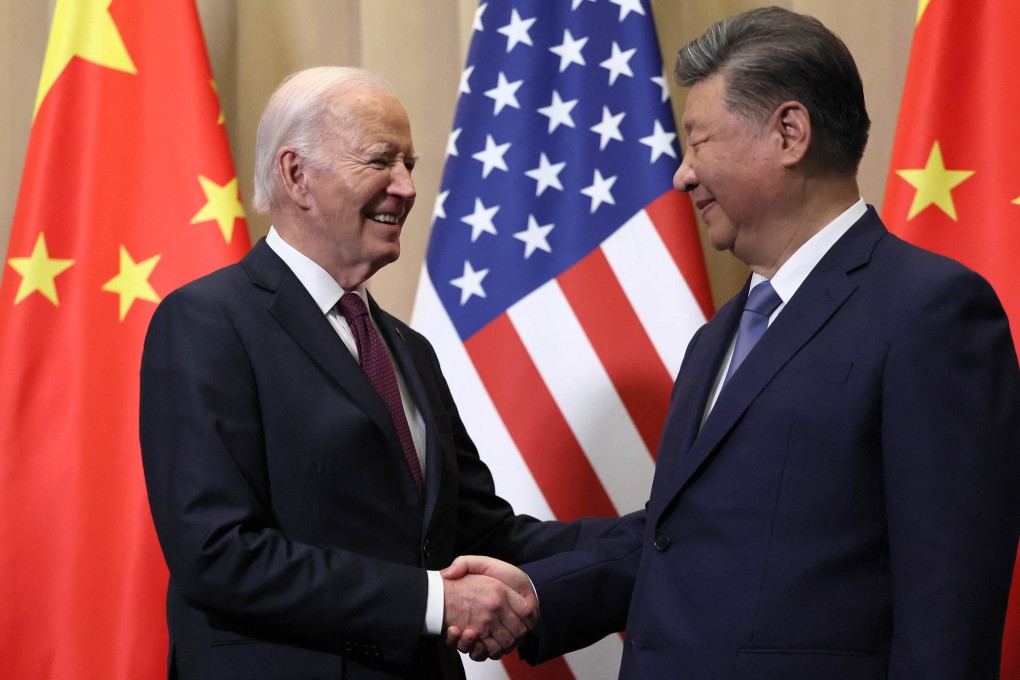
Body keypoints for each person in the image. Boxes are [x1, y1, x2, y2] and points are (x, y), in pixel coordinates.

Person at [445, 6, 1020, 678]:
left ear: (789, 132)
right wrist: (536, 593)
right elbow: (680, 535)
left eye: (699, 142)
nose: (682, 175)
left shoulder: (931, 310)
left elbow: (949, 595)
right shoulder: (718, 335)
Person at [139, 66, 612, 680]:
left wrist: (662, 532)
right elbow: (217, 553)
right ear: (295, 174)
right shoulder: (208, 322)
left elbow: (479, 534)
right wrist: (435, 603)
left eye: (409, 163)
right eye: (380, 161)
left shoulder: (408, 350)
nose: (407, 186)